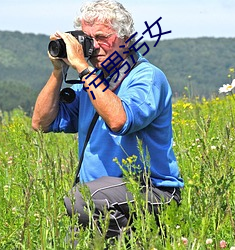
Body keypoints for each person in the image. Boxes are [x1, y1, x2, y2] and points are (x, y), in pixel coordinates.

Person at [32, 0, 184, 244]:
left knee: (80, 200)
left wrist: (82, 67)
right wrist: (58, 70)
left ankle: (138, 241)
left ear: (125, 38)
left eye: (102, 37)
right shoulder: (93, 83)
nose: (93, 47)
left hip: (152, 192)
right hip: (102, 199)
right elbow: (41, 123)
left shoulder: (146, 77)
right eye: (87, 39)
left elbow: (119, 120)